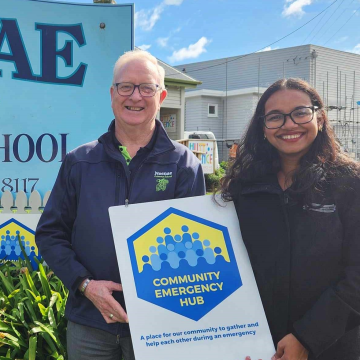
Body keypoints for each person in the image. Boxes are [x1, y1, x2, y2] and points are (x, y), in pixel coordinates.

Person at [35, 50, 205, 360]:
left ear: (162, 94)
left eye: (146, 87)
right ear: (113, 94)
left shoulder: (184, 166)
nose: (135, 96)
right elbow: (50, 234)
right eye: (126, 86)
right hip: (90, 322)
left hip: (160, 325)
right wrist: (85, 285)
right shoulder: (80, 161)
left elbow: (195, 247)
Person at [221, 78, 360, 360]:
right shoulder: (243, 187)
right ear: (263, 127)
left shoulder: (350, 183)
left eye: (300, 112)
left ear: (319, 118)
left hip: (332, 347)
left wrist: (307, 338)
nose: (288, 124)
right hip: (258, 348)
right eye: (275, 117)